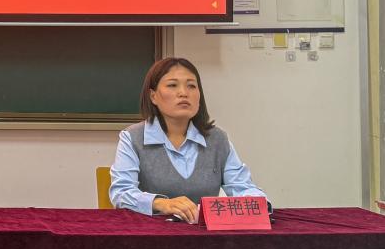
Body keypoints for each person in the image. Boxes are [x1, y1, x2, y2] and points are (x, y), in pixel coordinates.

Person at [109, 57, 268, 223]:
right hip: (151, 232)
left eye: (191, 86)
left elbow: (243, 187)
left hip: (204, 233)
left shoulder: (217, 139)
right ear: (153, 96)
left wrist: (260, 203)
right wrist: (161, 204)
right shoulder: (132, 138)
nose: (184, 93)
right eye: (172, 85)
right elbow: (121, 193)